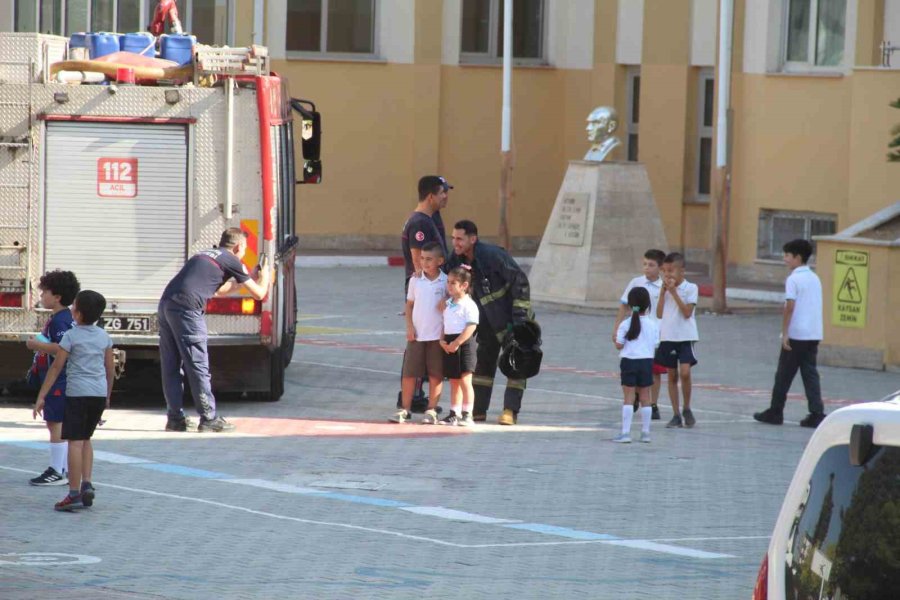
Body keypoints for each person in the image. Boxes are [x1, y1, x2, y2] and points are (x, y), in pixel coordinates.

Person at [159, 228, 271, 433]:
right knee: (197, 365)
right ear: (238, 247)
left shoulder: (204, 254)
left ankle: (175, 418)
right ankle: (209, 418)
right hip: (188, 309)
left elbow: (217, 290)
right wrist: (266, 276)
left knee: (171, 365)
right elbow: (259, 294)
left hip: (167, 304)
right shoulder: (233, 260)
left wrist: (246, 280)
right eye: (244, 250)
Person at [446, 220, 534, 426]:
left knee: (516, 362)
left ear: (473, 239)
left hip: (511, 319)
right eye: (453, 238)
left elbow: (520, 282)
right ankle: (477, 410)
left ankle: (510, 411)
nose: (455, 243)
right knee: (483, 365)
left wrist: (520, 319)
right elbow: (448, 281)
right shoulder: (455, 260)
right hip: (485, 322)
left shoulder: (493, 256)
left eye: (459, 238)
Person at [33, 290, 114, 511]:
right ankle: (87, 482)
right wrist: (107, 396)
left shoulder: (71, 336)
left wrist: (42, 395)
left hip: (77, 393)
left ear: (77, 314)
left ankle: (74, 493)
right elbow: (110, 369)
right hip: (98, 394)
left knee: (75, 443)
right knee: (86, 439)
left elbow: (57, 367)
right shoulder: (104, 337)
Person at [754, 239, 826, 428]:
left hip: (797, 335)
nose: (785, 259)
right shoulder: (814, 277)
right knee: (810, 374)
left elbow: (790, 306)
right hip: (813, 333)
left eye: (787, 255)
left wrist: (785, 333)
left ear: (798, 257)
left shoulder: (794, 279)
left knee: (783, 375)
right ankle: (817, 412)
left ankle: (775, 411)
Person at [26, 270, 79, 486]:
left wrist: (37, 345)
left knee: (54, 421)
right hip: (61, 377)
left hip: (60, 378)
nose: (41, 296)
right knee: (56, 421)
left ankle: (57, 470)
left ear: (57, 296)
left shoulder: (60, 321)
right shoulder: (61, 318)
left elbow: (61, 348)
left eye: (44, 292)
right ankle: (64, 467)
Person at [391, 242, 447, 424]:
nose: (424, 263)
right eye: (422, 258)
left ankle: (431, 410)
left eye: (429, 259)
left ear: (440, 261)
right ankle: (405, 409)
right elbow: (409, 305)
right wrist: (409, 327)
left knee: (435, 374)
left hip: (437, 336)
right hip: (417, 335)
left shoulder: (446, 281)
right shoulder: (415, 280)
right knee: (409, 373)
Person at [612, 249, 666, 420]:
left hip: (654, 334)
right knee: (635, 364)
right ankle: (635, 396)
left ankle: (653, 403)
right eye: (645, 264)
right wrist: (617, 327)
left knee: (654, 371)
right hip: (635, 331)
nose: (647, 268)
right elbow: (624, 305)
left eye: (651, 265)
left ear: (660, 267)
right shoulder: (636, 282)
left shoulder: (664, 286)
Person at [655, 252, 699, 429]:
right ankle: (676, 414)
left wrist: (673, 292)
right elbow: (658, 313)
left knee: (685, 372)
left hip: (686, 336)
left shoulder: (691, 288)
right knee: (672, 375)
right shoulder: (663, 289)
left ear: (682, 271)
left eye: (671, 270)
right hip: (668, 336)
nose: (667, 275)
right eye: (664, 271)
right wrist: (663, 293)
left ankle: (687, 407)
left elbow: (687, 312)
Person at [612, 287, 659, 443]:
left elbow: (619, 345)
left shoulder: (625, 324)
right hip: (646, 362)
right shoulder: (653, 325)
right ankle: (645, 433)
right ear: (648, 305)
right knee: (646, 397)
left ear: (630, 305)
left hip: (629, 362)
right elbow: (655, 344)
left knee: (629, 397)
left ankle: (625, 433)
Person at [438, 266, 480, 427]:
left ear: (464, 285)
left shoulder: (468, 305)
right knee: (454, 380)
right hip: (449, 342)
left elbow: (471, 326)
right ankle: (453, 413)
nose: (449, 286)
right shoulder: (448, 303)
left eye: (453, 283)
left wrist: (457, 343)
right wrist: (442, 340)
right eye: (448, 282)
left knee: (465, 380)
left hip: (464, 343)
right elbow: (444, 322)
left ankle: (467, 414)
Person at [401, 175, 452, 292]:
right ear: (430, 197)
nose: (445, 196)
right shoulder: (420, 223)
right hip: (426, 291)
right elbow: (418, 261)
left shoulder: (426, 219)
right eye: (442, 193)